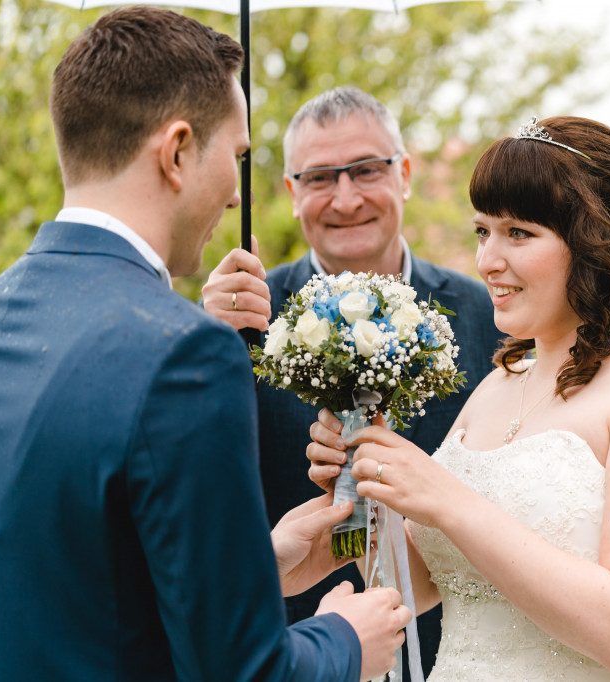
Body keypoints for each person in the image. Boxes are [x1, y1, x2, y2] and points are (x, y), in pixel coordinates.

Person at [0, 8, 410, 681]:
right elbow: (245, 672)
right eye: (235, 156)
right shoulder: (185, 354)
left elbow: (73, 575)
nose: (235, 195)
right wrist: (345, 639)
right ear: (175, 153)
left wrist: (261, 556)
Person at [307, 116, 610, 680]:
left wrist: (448, 500)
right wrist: (363, 493)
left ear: (593, 242)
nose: (487, 260)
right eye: (483, 231)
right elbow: (422, 584)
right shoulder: (495, 387)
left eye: (518, 233)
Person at [202, 87, 503, 675]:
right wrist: (201, 341)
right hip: (302, 653)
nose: (346, 198)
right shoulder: (244, 321)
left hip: (459, 652)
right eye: (319, 178)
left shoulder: (487, 315)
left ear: (405, 176)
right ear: (291, 193)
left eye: (366, 170)